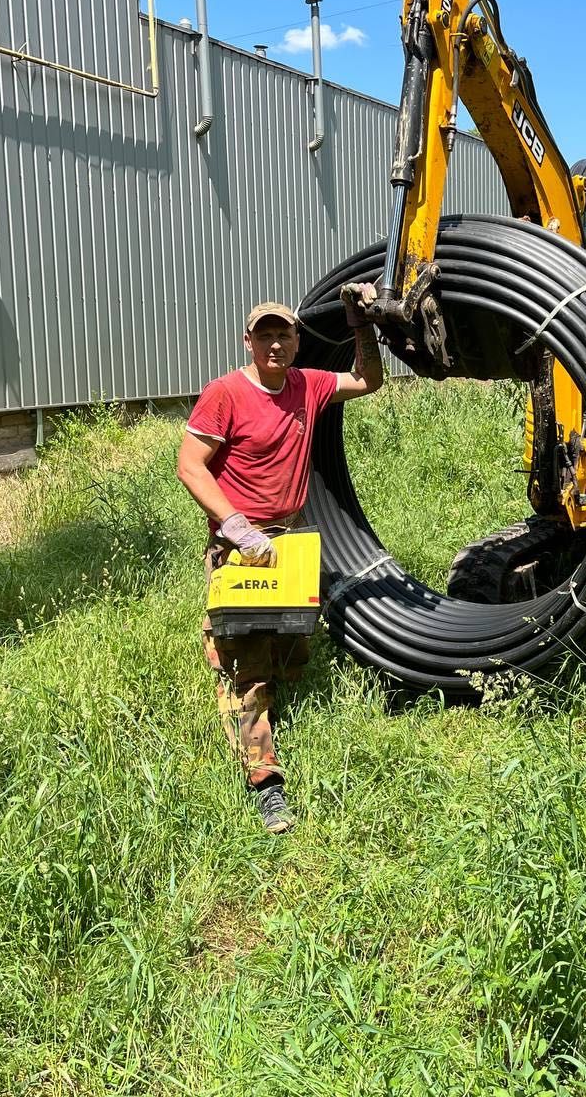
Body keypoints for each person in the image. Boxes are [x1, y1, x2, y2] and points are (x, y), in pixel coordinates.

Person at [177, 287, 382, 833]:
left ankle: (270, 716)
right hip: (242, 548)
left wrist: (362, 324)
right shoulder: (225, 393)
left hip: (289, 542)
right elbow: (191, 466)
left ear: (297, 340)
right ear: (248, 341)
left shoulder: (306, 386)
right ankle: (266, 782)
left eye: (283, 333)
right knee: (246, 664)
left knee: (288, 650)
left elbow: (367, 380)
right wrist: (237, 527)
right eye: (263, 334)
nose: (274, 343)